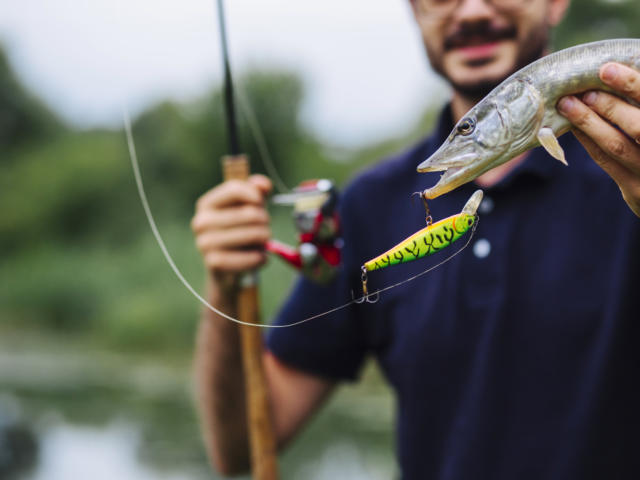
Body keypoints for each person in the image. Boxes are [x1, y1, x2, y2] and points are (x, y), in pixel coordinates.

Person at [191, 0, 640, 477]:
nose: (470, 11)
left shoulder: (629, 168)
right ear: (413, 10)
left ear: (555, 4)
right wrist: (226, 285)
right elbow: (240, 449)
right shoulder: (369, 203)